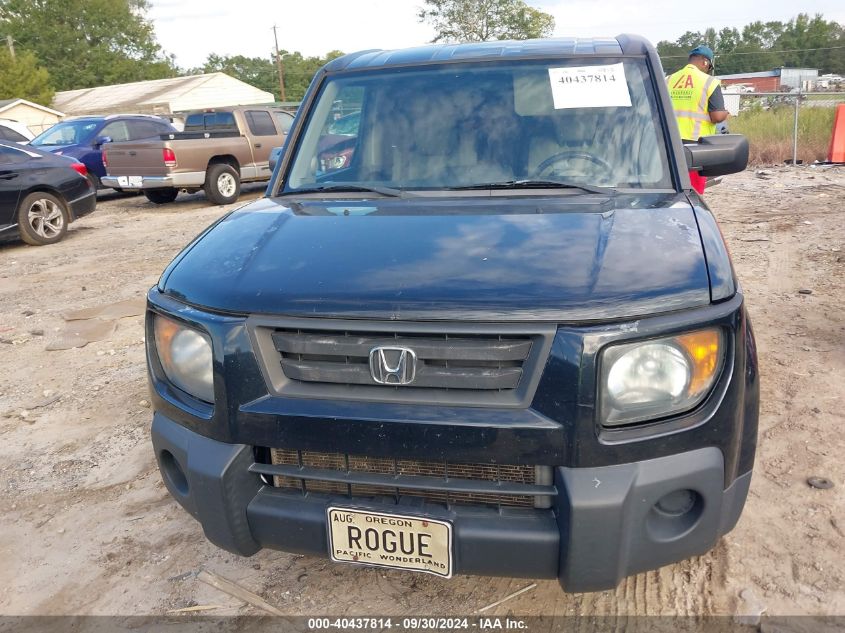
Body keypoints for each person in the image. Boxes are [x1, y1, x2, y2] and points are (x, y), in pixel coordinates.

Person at [667, 45, 729, 193]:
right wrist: (726, 113)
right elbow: (717, 116)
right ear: (705, 62)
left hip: (668, 144)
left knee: (671, 193)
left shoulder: (668, 79)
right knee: (692, 196)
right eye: (709, 67)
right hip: (695, 148)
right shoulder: (709, 82)